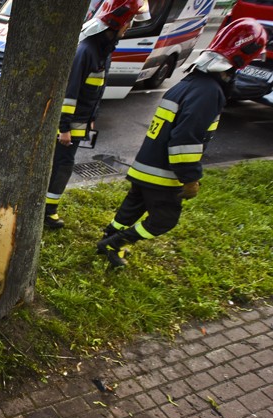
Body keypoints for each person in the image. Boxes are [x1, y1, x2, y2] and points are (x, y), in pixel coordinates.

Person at [96, 18, 267, 268]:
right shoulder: (209, 92)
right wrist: (190, 179)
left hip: (145, 164)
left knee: (131, 208)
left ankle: (109, 237)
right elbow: (185, 139)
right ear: (242, 56)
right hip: (164, 173)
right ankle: (117, 242)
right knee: (164, 220)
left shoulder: (189, 83)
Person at [44, 0, 149, 229]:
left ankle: (48, 208)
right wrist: (64, 128)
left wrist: (93, 116)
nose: (129, 27)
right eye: (128, 21)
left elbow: (95, 91)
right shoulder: (88, 50)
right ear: (116, 23)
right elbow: (70, 94)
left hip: (80, 121)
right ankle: (48, 211)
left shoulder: (102, 50)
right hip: (69, 126)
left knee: (63, 165)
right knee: (62, 166)